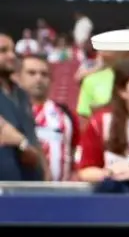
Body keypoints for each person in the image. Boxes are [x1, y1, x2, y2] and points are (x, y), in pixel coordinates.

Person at [16, 54, 78, 181]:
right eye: (31, 73)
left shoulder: (65, 115)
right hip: (18, 190)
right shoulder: (10, 113)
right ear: (18, 77)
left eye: (44, 74)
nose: (39, 78)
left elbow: (73, 150)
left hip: (60, 190)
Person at [0, 34, 45, 181]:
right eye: (3, 51)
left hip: (29, 182)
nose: (12, 56)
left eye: (13, 51)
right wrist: (23, 144)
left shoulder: (22, 94)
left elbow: (32, 135)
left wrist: (45, 171)